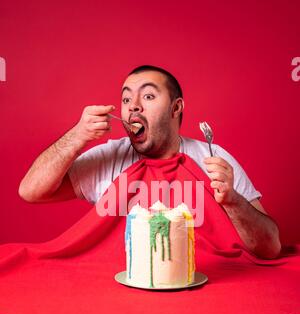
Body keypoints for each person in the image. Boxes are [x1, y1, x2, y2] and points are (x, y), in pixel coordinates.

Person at [18, 65, 281, 259]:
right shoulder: (109, 158)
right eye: (125, 99)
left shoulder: (213, 158)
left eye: (148, 96)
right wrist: (77, 136)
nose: (133, 106)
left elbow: (271, 248)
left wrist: (233, 200)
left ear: (176, 108)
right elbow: (31, 191)